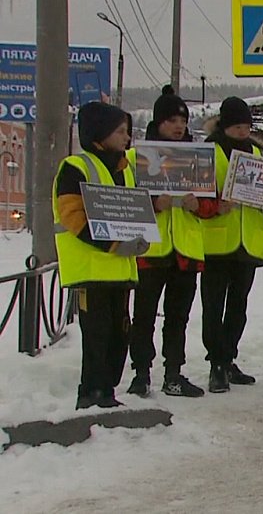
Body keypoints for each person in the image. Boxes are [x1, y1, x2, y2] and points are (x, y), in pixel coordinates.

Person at [54, 101, 149, 409]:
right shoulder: (75, 167)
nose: (126, 137)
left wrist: (141, 239)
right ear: (100, 134)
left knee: (119, 335)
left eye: (127, 131)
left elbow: (134, 212)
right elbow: (72, 216)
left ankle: (107, 389)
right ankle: (92, 391)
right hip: (91, 270)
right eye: (120, 131)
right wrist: (110, 244)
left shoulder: (125, 169)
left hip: (120, 270)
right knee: (96, 334)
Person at [126, 85, 215, 398]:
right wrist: (153, 204)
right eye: (172, 120)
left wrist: (199, 206)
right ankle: (140, 374)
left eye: (183, 120)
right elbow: (125, 201)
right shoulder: (137, 157)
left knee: (178, 318)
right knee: (145, 316)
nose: (179, 126)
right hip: (151, 249)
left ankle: (174, 373)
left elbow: (212, 203)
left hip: (186, 252)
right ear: (158, 122)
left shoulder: (199, 158)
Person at [200, 96, 263, 393]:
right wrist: (217, 205)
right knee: (213, 305)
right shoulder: (209, 152)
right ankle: (216, 361)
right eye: (237, 126)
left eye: (246, 126)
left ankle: (228, 358)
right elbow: (197, 192)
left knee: (238, 305)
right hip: (217, 241)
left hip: (247, 242)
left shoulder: (260, 153)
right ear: (225, 125)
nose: (243, 131)